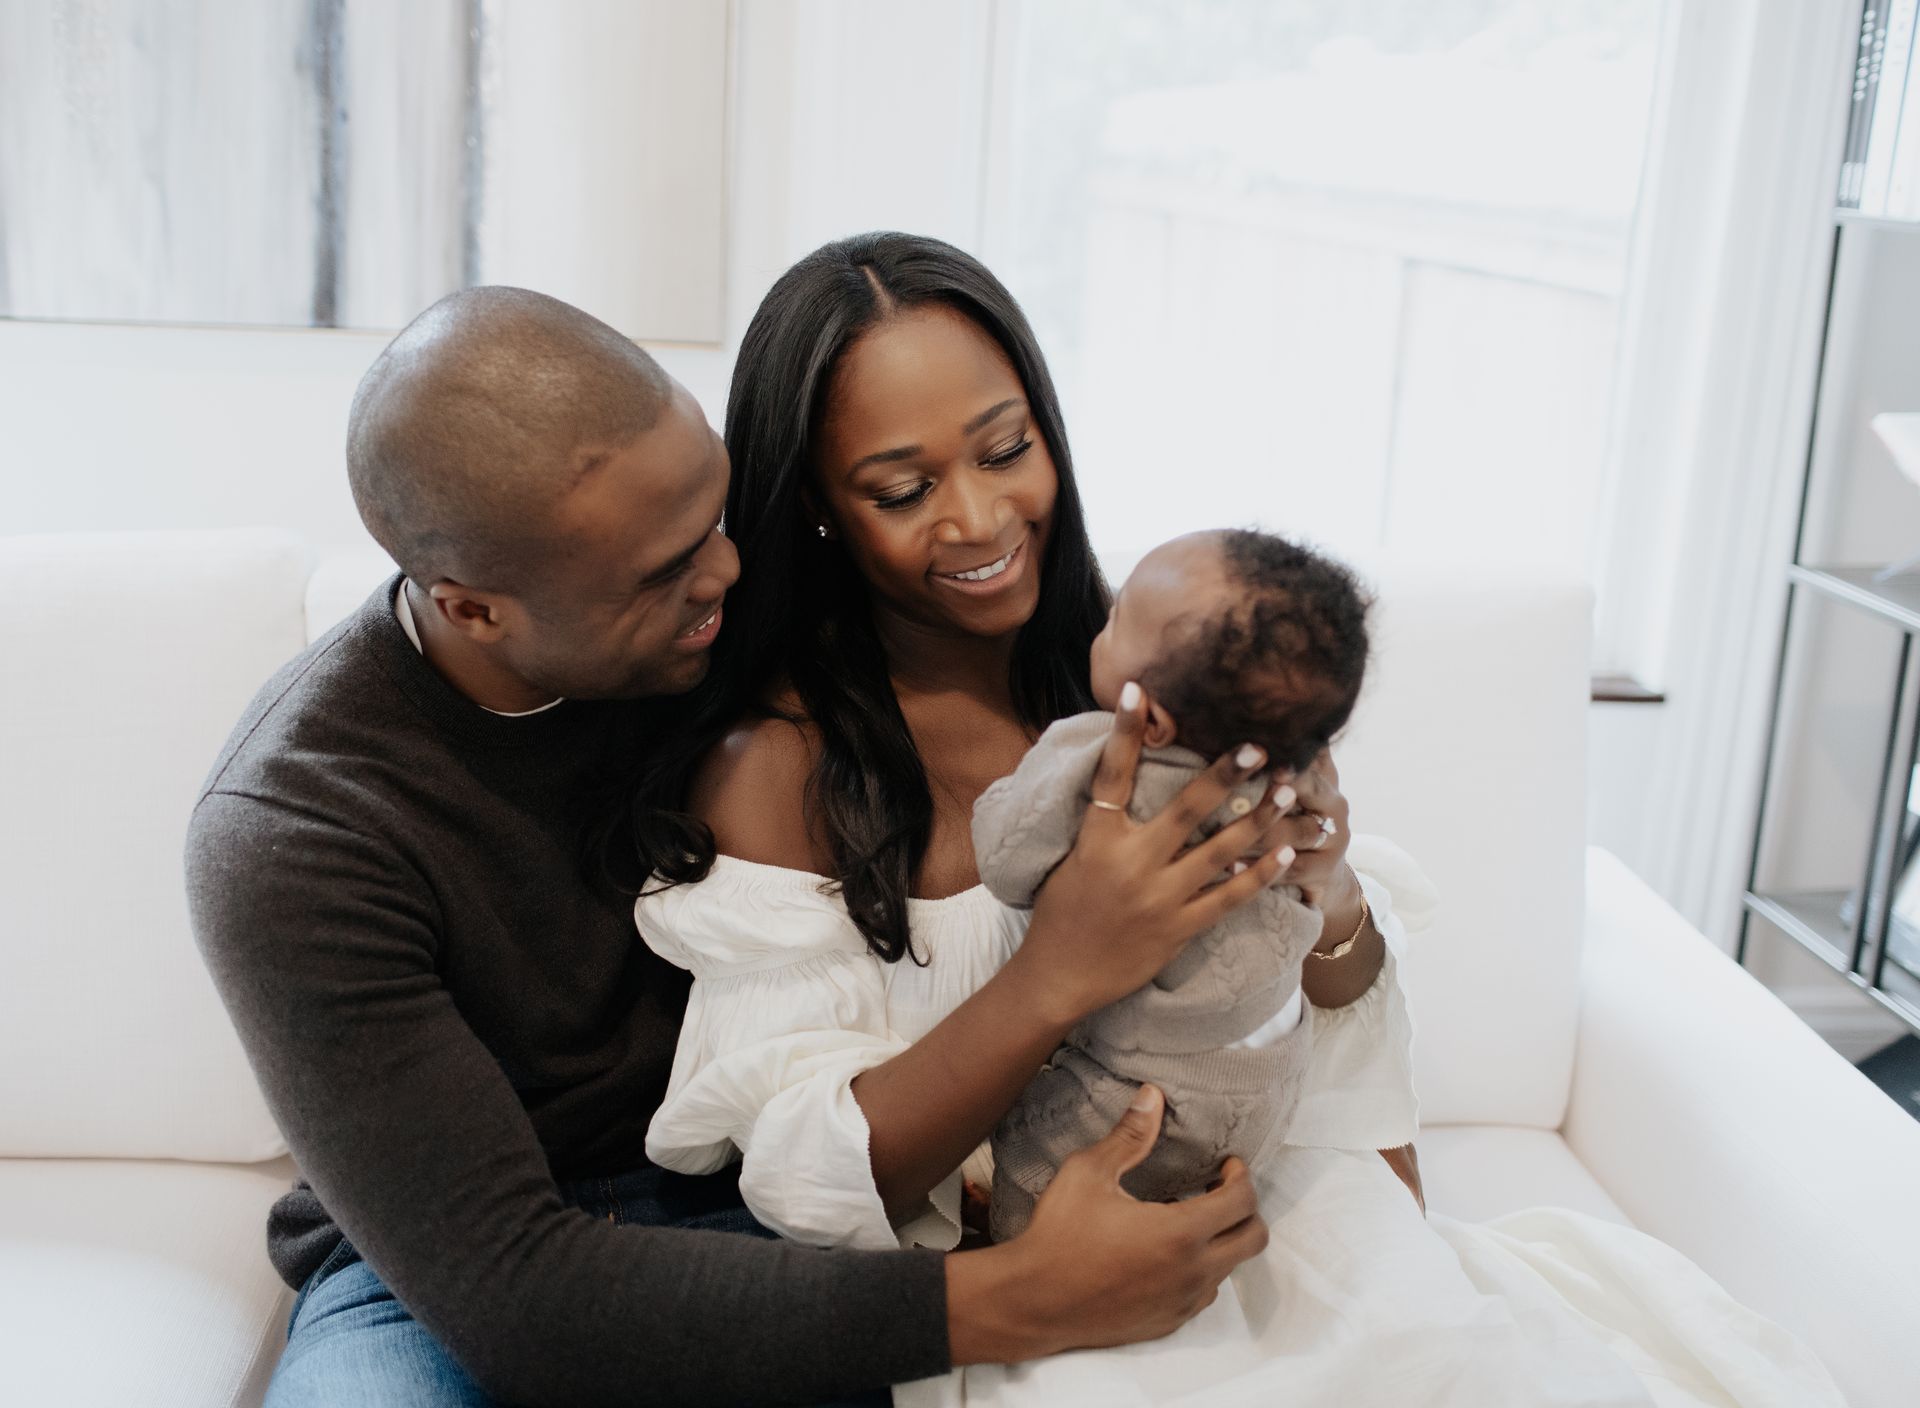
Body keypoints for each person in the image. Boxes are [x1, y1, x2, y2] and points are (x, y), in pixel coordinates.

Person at [624, 233, 1844, 1406]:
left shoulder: (1160, 665)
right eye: (904, 487)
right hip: (1035, 1285)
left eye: (1007, 450)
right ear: (821, 508)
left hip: (1271, 1222)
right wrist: (1056, 972)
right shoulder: (786, 766)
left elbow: (1320, 1039)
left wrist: (1332, 901)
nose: (983, 520)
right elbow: (798, 1176)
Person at [185, 286, 1281, 1408]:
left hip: (763, 1206)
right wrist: (1019, 1295)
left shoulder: (744, 618)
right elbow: (513, 1290)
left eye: (713, 516)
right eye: (661, 574)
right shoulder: (298, 833)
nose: (723, 573)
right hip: (436, 1276)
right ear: (475, 611)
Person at [973, 529, 1374, 1240]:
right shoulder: (1299, 782)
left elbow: (1005, 861)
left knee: (1037, 1180)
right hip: (1270, 1085)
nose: (1104, 616)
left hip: (1137, 1091)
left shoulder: (1096, 760)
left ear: (1149, 718)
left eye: (1118, 616)